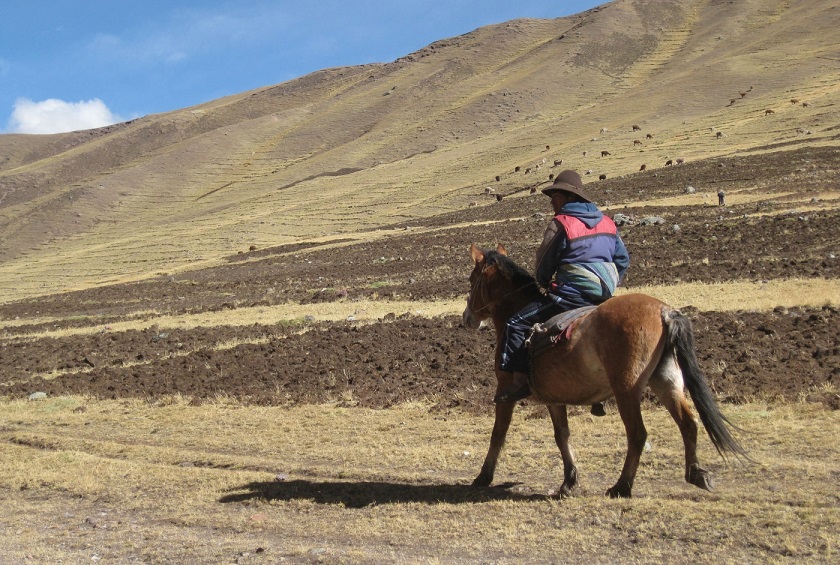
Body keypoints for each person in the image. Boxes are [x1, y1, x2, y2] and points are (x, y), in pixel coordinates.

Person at [494, 170, 630, 408]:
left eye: (554, 197)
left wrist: (546, 284)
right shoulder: (607, 222)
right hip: (603, 295)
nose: (551, 203)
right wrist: (606, 280)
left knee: (515, 324)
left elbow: (544, 264)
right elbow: (623, 260)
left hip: (570, 295)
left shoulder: (562, 224)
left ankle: (519, 383)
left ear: (567, 197)